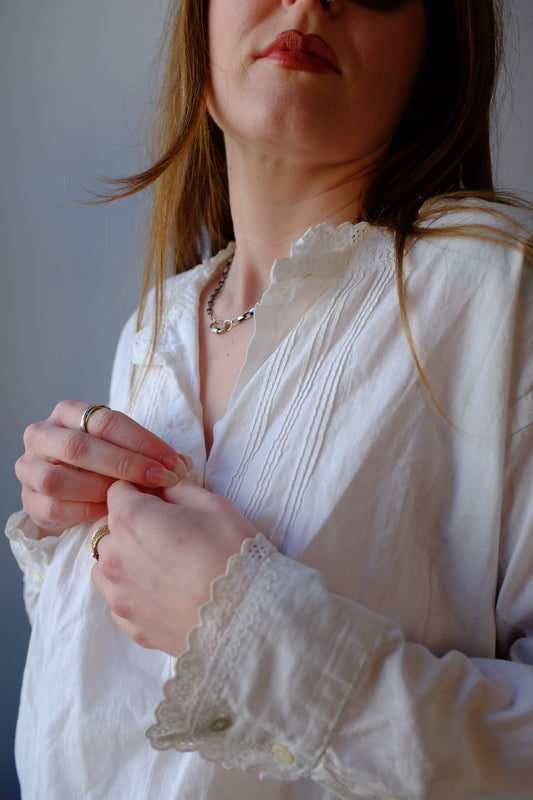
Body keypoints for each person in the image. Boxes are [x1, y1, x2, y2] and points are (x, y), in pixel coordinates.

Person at [7, 0, 533, 797]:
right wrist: (66, 548)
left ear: (439, 43)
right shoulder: (151, 330)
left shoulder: (503, 295)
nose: (309, 0)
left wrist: (255, 642)